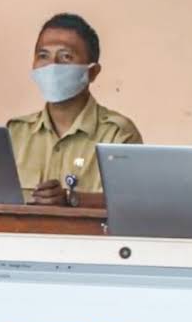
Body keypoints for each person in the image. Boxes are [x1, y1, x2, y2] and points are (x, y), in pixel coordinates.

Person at [7, 13, 141, 205]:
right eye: (43, 56)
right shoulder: (16, 133)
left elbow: (131, 205)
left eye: (66, 56)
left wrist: (72, 200)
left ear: (92, 72)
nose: (52, 66)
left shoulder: (117, 135)